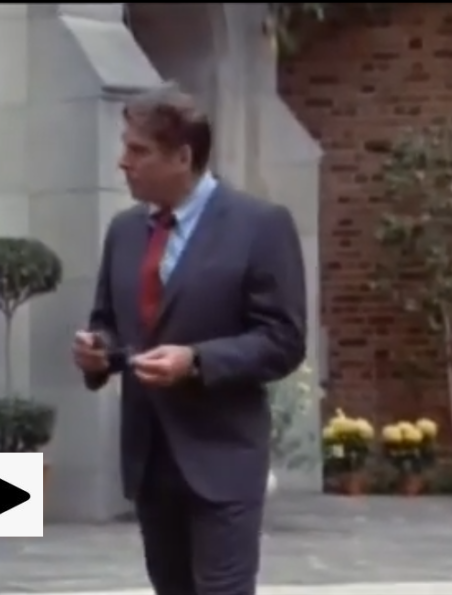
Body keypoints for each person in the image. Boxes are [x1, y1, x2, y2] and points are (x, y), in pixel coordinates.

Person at [71, 83, 307, 595]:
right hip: (150, 457)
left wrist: (197, 360)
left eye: (138, 151)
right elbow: (108, 321)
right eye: (125, 147)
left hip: (222, 455)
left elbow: (284, 339)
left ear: (182, 157)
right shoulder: (124, 231)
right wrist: (97, 352)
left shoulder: (260, 226)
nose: (123, 162)